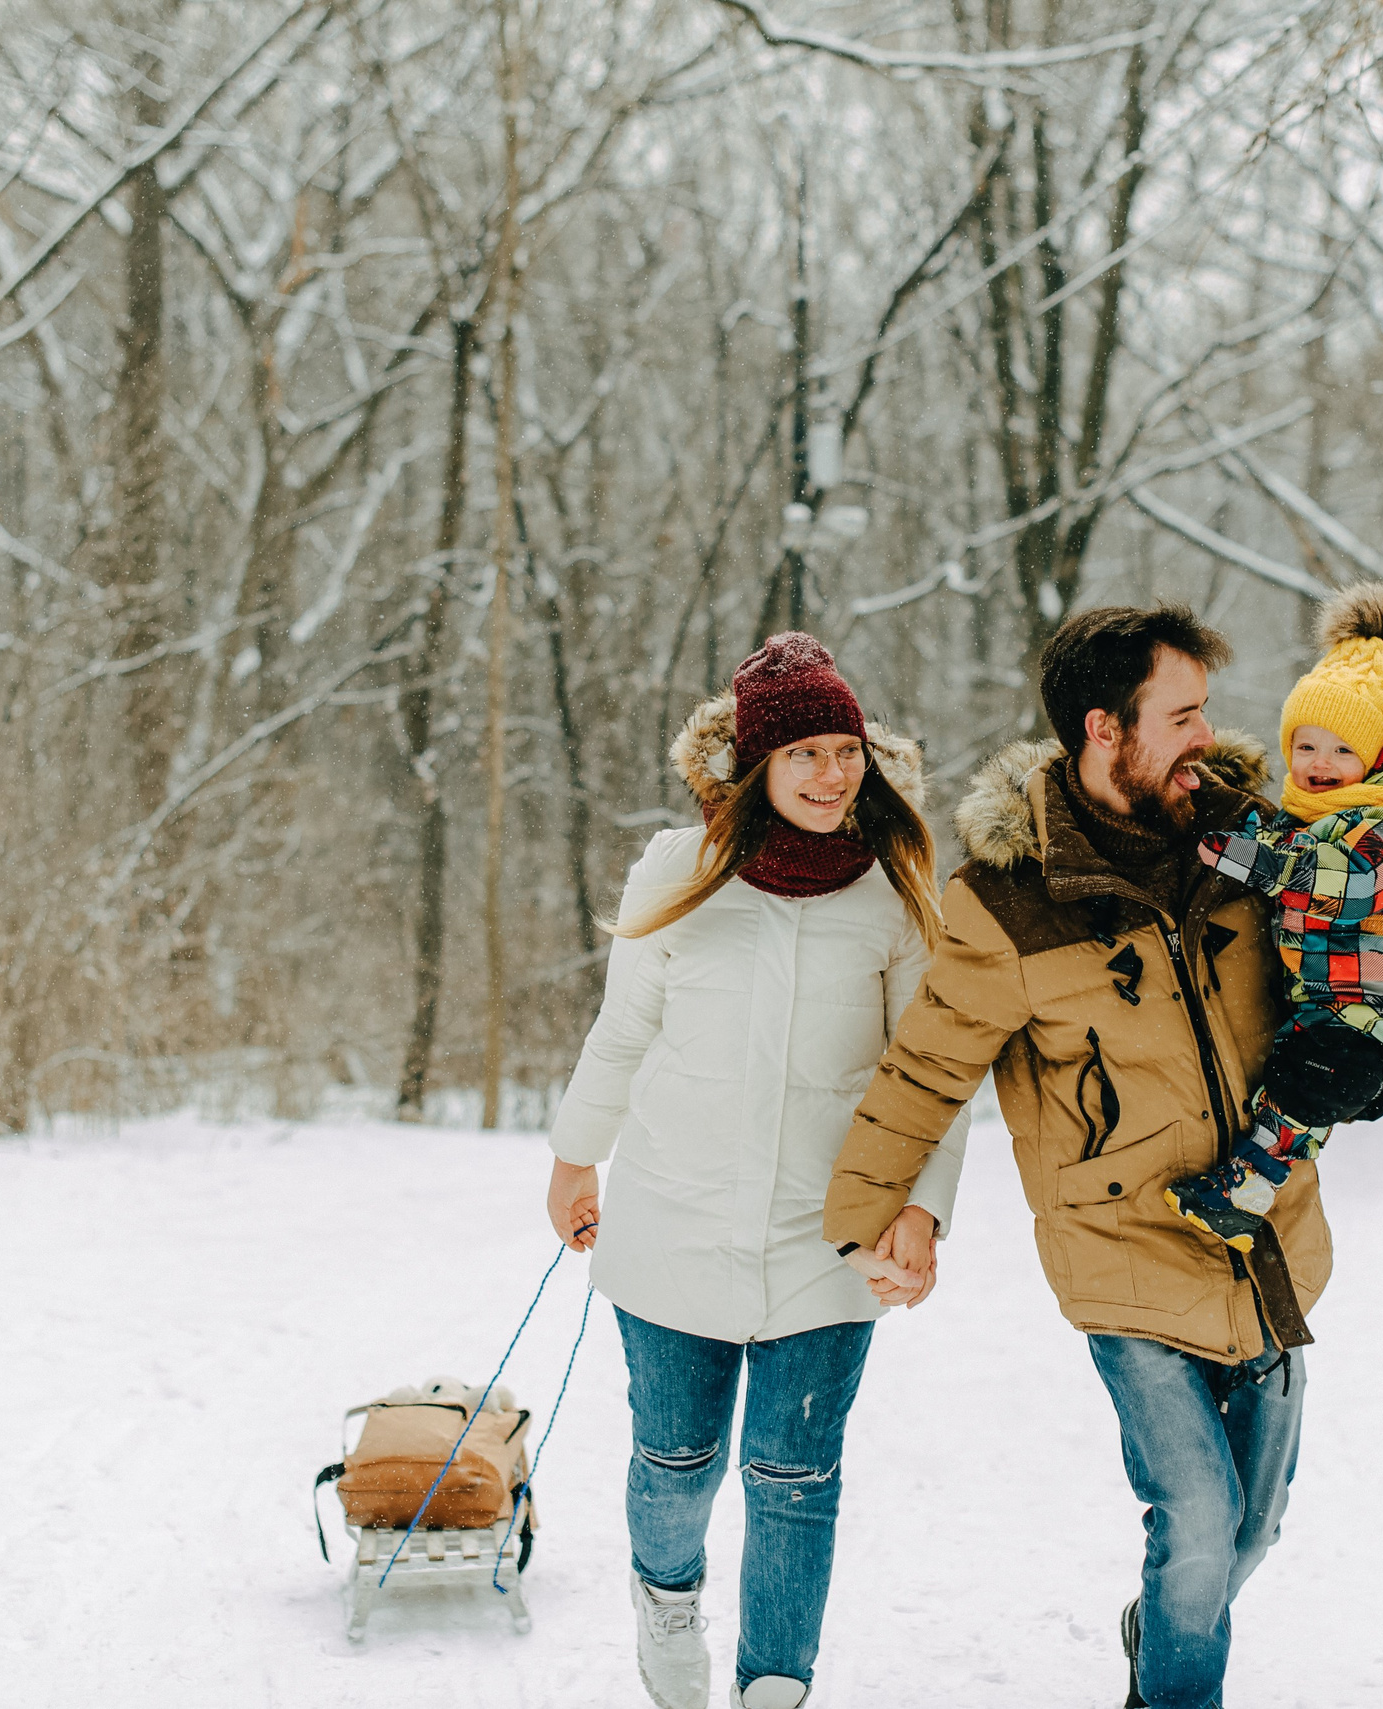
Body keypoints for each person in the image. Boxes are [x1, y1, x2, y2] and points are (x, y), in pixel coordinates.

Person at [821, 604, 1327, 1709]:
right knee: (1195, 1521)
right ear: (1105, 728)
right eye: (1179, 714)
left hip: (1261, 1231)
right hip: (1124, 1254)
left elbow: (1347, 968)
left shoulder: (1253, 846)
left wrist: (1361, 1047)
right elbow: (924, 1068)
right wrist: (869, 1213)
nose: (1205, 734)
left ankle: (1161, 1624)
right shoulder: (1007, 901)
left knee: (1254, 1524)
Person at [545, 633, 966, 1709]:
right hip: (673, 1224)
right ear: (756, 767)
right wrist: (573, 1155)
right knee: (675, 1462)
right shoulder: (675, 873)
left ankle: (774, 1684)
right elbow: (622, 1028)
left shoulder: (894, 887)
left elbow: (926, 1070)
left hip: (826, 1236)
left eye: (846, 751)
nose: (833, 774)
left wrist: (920, 1207)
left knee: (793, 1480)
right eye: (808, 753)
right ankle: (667, 1595)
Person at [1163, 584, 1383, 1245]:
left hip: (1368, 1007)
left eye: (1341, 750)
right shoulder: (1303, 821)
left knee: (1313, 1075)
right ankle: (1248, 1185)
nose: (1320, 764)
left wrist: (1266, 865)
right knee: (1295, 1077)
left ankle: (1250, 1183)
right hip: (1319, 1000)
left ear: (1376, 757)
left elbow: (1350, 885)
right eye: (1306, 747)